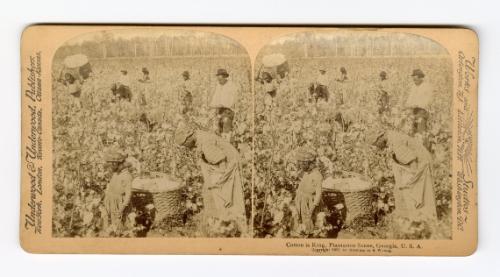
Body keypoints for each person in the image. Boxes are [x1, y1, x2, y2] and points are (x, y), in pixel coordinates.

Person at [174, 124, 247, 236]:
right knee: (222, 197)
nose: (186, 147)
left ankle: (232, 226)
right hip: (228, 163)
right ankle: (229, 224)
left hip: (229, 166)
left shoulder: (205, 143)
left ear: (189, 137)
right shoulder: (201, 137)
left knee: (228, 198)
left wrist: (221, 182)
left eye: (185, 144)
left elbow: (221, 159)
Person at [294, 146, 323, 236]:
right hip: (301, 200)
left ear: (309, 163)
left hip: (309, 203)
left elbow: (318, 194)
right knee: (299, 220)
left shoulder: (317, 176)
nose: (301, 166)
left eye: (302, 164)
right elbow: (302, 186)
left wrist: (312, 208)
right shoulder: (306, 173)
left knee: (308, 220)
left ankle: (309, 235)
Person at [103, 150, 133, 235]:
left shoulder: (127, 176)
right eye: (112, 163)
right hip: (111, 202)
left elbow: (128, 194)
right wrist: (106, 199)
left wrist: (122, 208)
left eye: (114, 164)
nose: (112, 166)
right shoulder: (116, 173)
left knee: (119, 225)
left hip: (119, 204)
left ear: (121, 164)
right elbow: (110, 187)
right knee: (110, 224)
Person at [209, 68, 239, 141]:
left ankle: (227, 145)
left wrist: (222, 104)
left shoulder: (231, 86)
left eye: (220, 79)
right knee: (218, 128)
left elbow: (232, 101)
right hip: (220, 110)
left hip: (228, 111)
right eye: (218, 80)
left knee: (226, 128)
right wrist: (212, 105)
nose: (219, 81)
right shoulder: (219, 86)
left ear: (225, 77)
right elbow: (215, 97)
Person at [405, 69, 434, 135]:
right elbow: (409, 99)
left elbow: (429, 100)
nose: (414, 81)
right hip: (413, 111)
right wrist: (408, 105)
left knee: (421, 131)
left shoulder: (426, 86)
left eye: (415, 79)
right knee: (411, 131)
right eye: (413, 79)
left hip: (422, 111)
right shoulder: (413, 87)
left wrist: (418, 104)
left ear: (420, 77)